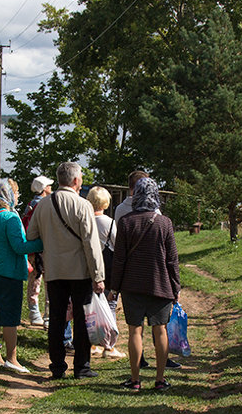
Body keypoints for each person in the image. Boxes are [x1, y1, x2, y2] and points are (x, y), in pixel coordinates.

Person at [24, 161, 106, 379]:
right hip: (80, 272)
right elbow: (91, 243)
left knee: (57, 319)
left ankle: (57, 366)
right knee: (82, 320)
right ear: (76, 180)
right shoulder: (83, 205)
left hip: (54, 270)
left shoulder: (42, 205)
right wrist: (98, 276)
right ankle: (81, 367)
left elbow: (31, 236)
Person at [109, 177, 180, 392]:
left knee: (135, 331)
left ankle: (135, 379)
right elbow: (172, 259)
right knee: (160, 330)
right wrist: (176, 287)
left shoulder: (126, 222)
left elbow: (119, 258)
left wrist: (115, 287)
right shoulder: (164, 223)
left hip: (132, 285)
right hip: (160, 284)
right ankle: (160, 379)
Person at [0, 178, 43, 374]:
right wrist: (42, 243)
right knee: (10, 318)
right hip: (10, 273)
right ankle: (12, 358)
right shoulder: (11, 218)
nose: (17, 197)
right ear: (8, 195)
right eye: (15, 193)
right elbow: (19, 247)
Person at [87, 185, 125, 359]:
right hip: (107, 269)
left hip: (88, 268)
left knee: (89, 306)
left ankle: (92, 343)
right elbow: (118, 246)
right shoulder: (109, 222)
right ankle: (109, 346)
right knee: (109, 304)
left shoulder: (84, 220)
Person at [22, 175, 53, 326]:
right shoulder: (46, 205)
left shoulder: (30, 204)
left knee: (34, 280)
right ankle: (48, 314)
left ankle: (34, 312)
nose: (51, 188)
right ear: (44, 188)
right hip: (46, 247)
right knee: (49, 280)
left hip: (33, 249)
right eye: (49, 186)